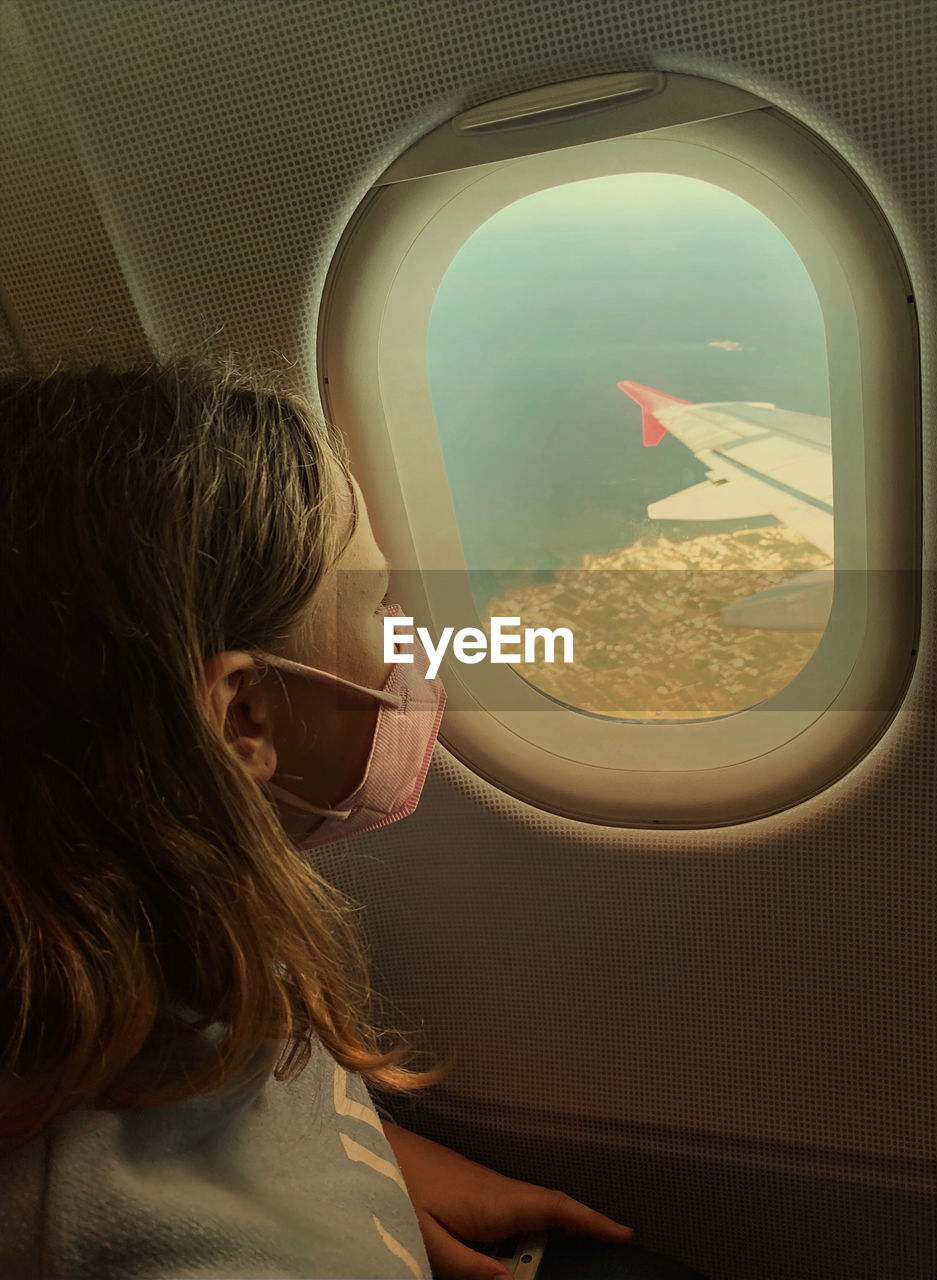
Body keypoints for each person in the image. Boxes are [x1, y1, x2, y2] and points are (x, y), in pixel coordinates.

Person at [0, 357, 647, 1280]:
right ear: (246, 719)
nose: (408, 644)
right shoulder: (155, 1244)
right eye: (377, 605)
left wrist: (363, 1174)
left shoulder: (158, 912)